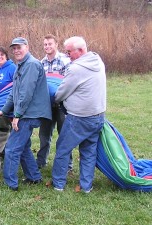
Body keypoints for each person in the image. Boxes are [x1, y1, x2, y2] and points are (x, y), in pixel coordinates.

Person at [51, 36, 106, 193]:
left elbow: (61, 93)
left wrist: (55, 98)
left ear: (80, 50)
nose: (67, 56)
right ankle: (86, 186)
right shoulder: (98, 61)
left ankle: (58, 184)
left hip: (79, 118)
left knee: (63, 149)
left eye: (69, 52)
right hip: (98, 116)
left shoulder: (76, 69)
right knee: (88, 152)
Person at [0, 37, 52, 191]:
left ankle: (10, 183)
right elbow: (14, 92)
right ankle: (34, 177)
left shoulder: (32, 65)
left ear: (27, 47)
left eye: (19, 47)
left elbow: (26, 93)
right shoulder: (20, 65)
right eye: (13, 48)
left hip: (29, 115)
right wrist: (4, 110)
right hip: (25, 113)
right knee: (24, 147)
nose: (16, 51)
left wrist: (17, 115)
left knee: (12, 148)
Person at [36, 34, 72, 170]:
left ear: (56, 44)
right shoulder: (41, 63)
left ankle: (67, 165)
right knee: (44, 135)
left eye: (50, 44)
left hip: (62, 104)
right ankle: (41, 162)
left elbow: (70, 81)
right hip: (47, 105)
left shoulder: (65, 60)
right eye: (45, 44)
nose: (47, 47)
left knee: (64, 134)